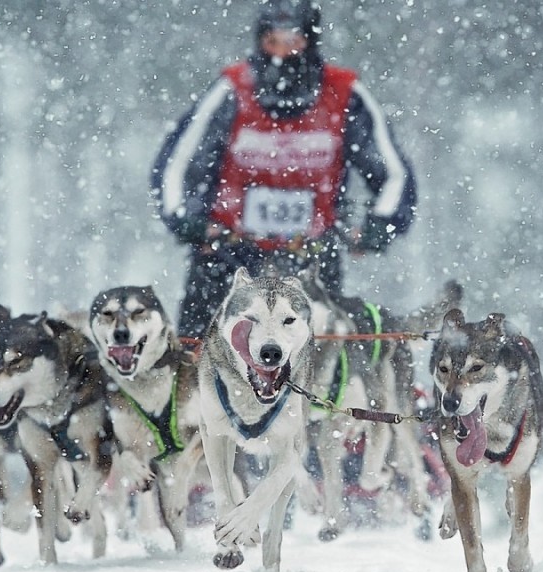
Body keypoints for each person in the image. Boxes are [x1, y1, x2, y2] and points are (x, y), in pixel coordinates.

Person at [151, 0, 418, 339]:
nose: (282, 52)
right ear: (259, 42)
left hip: (311, 255)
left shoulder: (344, 93)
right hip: (228, 255)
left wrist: (382, 224)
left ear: (310, 41)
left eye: (293, 41)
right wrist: (185, 218)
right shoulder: (231, 90)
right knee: (200, 352)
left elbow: (392, 172)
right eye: (272, 42)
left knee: (317, 356)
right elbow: (178, 164)